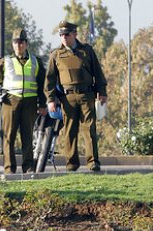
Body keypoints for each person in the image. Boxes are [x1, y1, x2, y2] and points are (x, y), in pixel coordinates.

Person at [45, 20, 107, 172]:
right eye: (61, 35)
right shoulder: (56, 55)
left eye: (66, 34)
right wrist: (50, 99)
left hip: (87, 95)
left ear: (74, 34)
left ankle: (93, 162)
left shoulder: (87, 51)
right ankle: (71, 164)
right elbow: (50, 80)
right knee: (70, 131)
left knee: (89, 130)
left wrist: (102, 92)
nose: (64, 37)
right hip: (67, 98)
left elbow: (97, 73)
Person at [0, 28, 47, 174]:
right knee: (8, 135)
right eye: (16, 42)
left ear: (26, 44)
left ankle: (28, 167)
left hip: (30, 102)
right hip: (10, 101)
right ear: (12, 44)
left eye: (21, 42)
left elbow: (42, 85)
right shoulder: (5, 62)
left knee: (27, 135)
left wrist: (42, 104)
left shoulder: (36, 62)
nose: (18, 45)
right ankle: (9, 168)